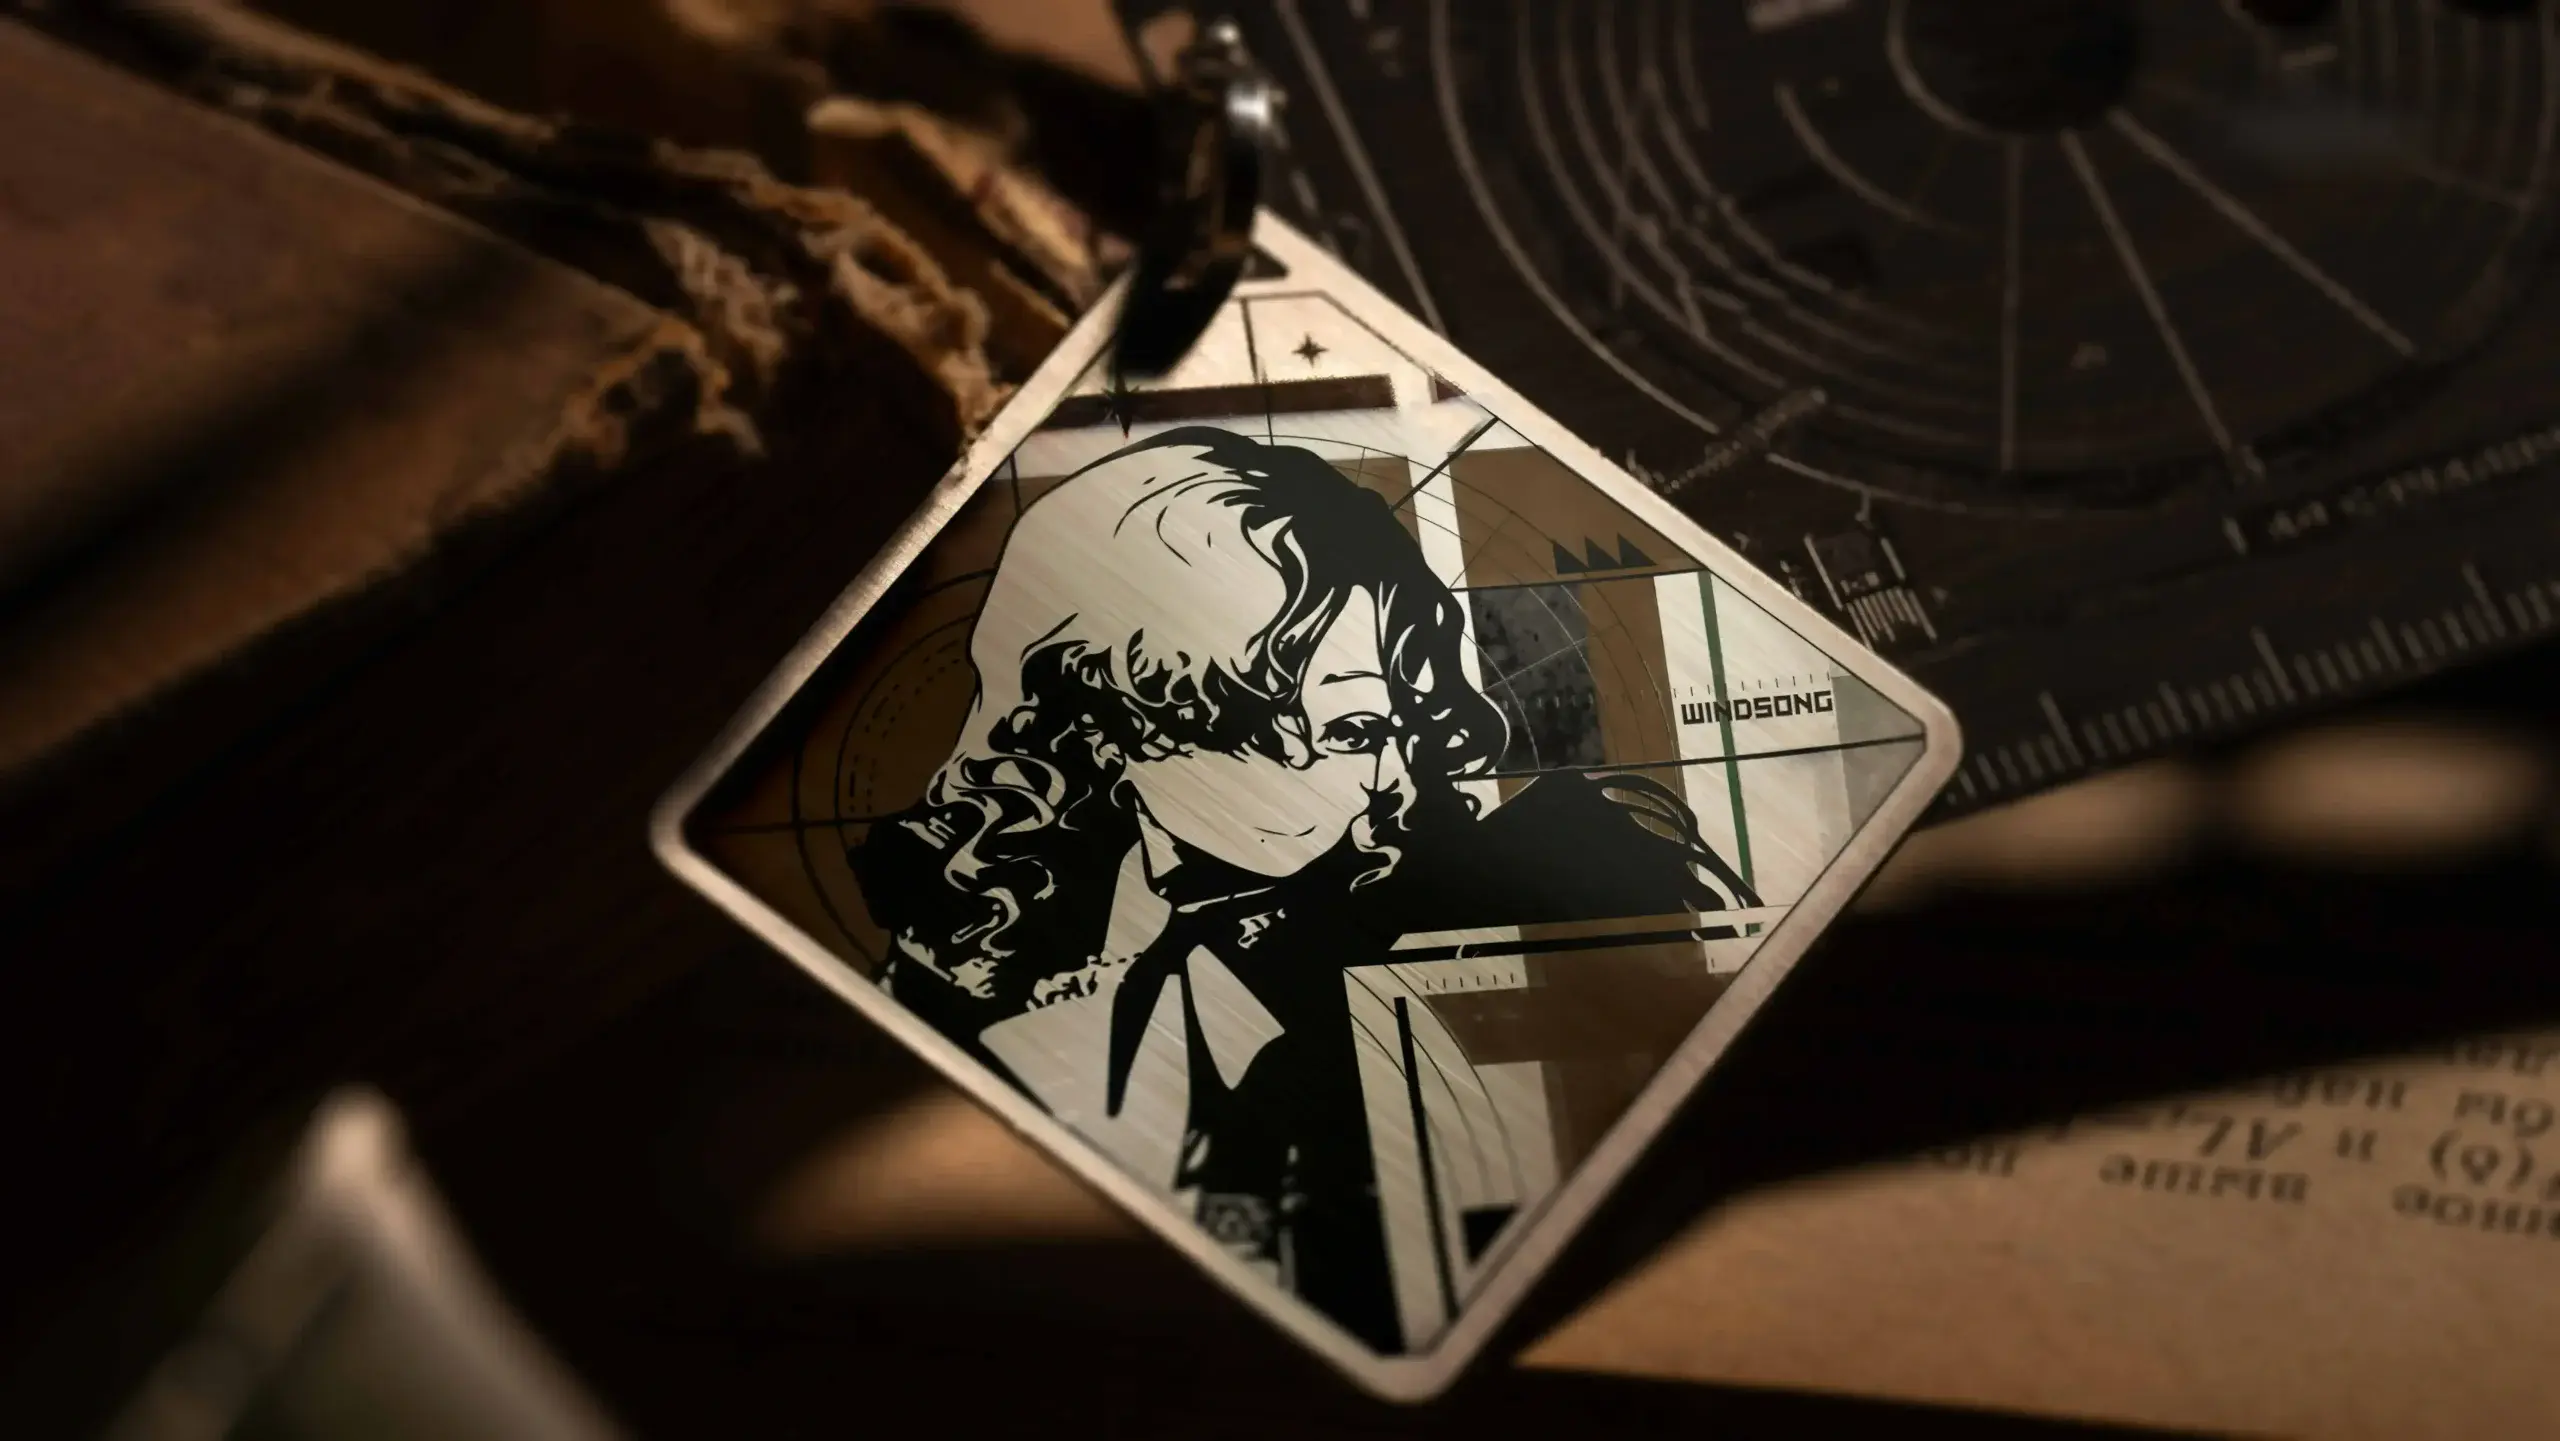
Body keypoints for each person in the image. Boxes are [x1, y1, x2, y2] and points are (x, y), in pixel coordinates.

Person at [853, 426, 1751, 1351]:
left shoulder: (1549, 884)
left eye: (1403, 724)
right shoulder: (960, 998)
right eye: (1355, 731)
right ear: (1124, 731)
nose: (1397, 780)